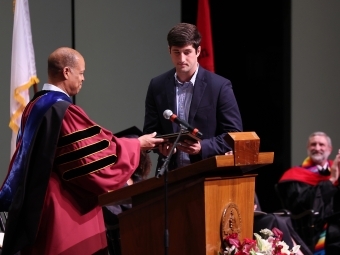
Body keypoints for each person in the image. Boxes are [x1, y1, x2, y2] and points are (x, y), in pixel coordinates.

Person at [0, 47, 164, 255]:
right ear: (67, 72)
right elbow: (92, 157)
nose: (84, 78)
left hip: (38, 201)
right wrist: (136, 144)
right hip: (65, 204)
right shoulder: (63, 111)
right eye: (81, 72)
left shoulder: (34, 105)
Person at [143, 23, 243, 173]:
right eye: (176, 52)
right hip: (170, 176)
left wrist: (203, 147)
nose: (181, 58)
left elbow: (234, 134)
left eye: (187, 52)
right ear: (169, 51)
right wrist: (161, 147)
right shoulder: (157, 85)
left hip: (208, 174)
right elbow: (151, 130)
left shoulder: (219, 86)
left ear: (198, 51)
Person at [277, 131, 340, 254]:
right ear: (307, 148)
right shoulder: (295, 175)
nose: (317, 148)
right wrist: (331, 180)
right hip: (312, 230)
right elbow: (302, 205)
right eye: (313, 144)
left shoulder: (336, 168)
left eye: (321, 144)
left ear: (330, 149)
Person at [102, 126, 152, 255]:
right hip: (121, 243)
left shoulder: (141, 182)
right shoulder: (111, 183)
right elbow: (113, 216)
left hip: (146, 240)